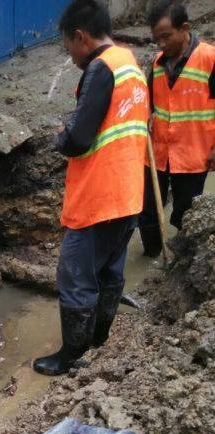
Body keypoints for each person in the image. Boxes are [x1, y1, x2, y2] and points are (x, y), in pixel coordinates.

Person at [34, 0, 149, 376]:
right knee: (109, 272)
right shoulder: (128, 61)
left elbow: (78, 139)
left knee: (76, 276)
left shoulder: (100, 69)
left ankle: (71, 356)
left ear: (80, 36)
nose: (70, 57)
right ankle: (100, 339)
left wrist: (59, 138)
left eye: (68, 47)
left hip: (99, 196)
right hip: (129, 191)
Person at [139, 1, 215, 257]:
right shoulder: (158, 64)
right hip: (158, 153)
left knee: (185, 213)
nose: (161, 44)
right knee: (147, 210)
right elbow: (148, 105)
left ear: (184, 28)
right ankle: (152, 259)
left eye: (166, 36)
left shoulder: (210, 59)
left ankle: (181, 262)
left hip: (193, 154)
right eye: (156, 38)